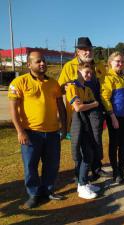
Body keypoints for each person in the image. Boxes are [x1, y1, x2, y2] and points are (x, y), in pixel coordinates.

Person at [8, 51, 67, 208]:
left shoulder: (54, 83)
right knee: (30, 165)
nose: (42, 64)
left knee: (52, 164)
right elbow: (13, 110)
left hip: (53, 132)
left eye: (44, 61)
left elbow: (61, 107)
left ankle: (48, 190)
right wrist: (20, 131)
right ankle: (34, 194)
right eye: (38, 61)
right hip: (30, 133)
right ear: (29, 64)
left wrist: (64, 126)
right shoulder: (19, 82)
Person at [58, 37, 109, 181]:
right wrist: (68, 86)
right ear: (78, 51)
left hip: (96, 109)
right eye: (84, 50)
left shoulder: (99, 65)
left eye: (90, 49)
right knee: (78, 141)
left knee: (96, 139)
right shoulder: (69, 66)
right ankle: (79, 173)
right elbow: (59, 88)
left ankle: (96, 168)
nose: (88, 52)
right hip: (77, 111)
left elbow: (105, 86)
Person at [66, 62, 101, 199]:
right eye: (86, 72)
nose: (89, 75)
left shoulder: (87, 89)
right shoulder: (72, 87)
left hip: (87, 126)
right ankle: (81, 185)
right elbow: (77, 107)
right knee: (84, 155)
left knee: (89, 153)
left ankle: (84, 182)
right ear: (78, 71)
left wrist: (90, 104)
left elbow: (86, 105)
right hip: (77, 126)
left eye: (91, 73)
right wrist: (94, 104)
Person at [101, 52, 124, 183]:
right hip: (115, 118)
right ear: (110, 62)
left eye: (122, 61)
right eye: (117, 61)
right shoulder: (108, 78)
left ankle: (121, 171)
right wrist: (112, 116)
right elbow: (105, 98)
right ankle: (115, 172)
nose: (120, 64)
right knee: (114, 145)